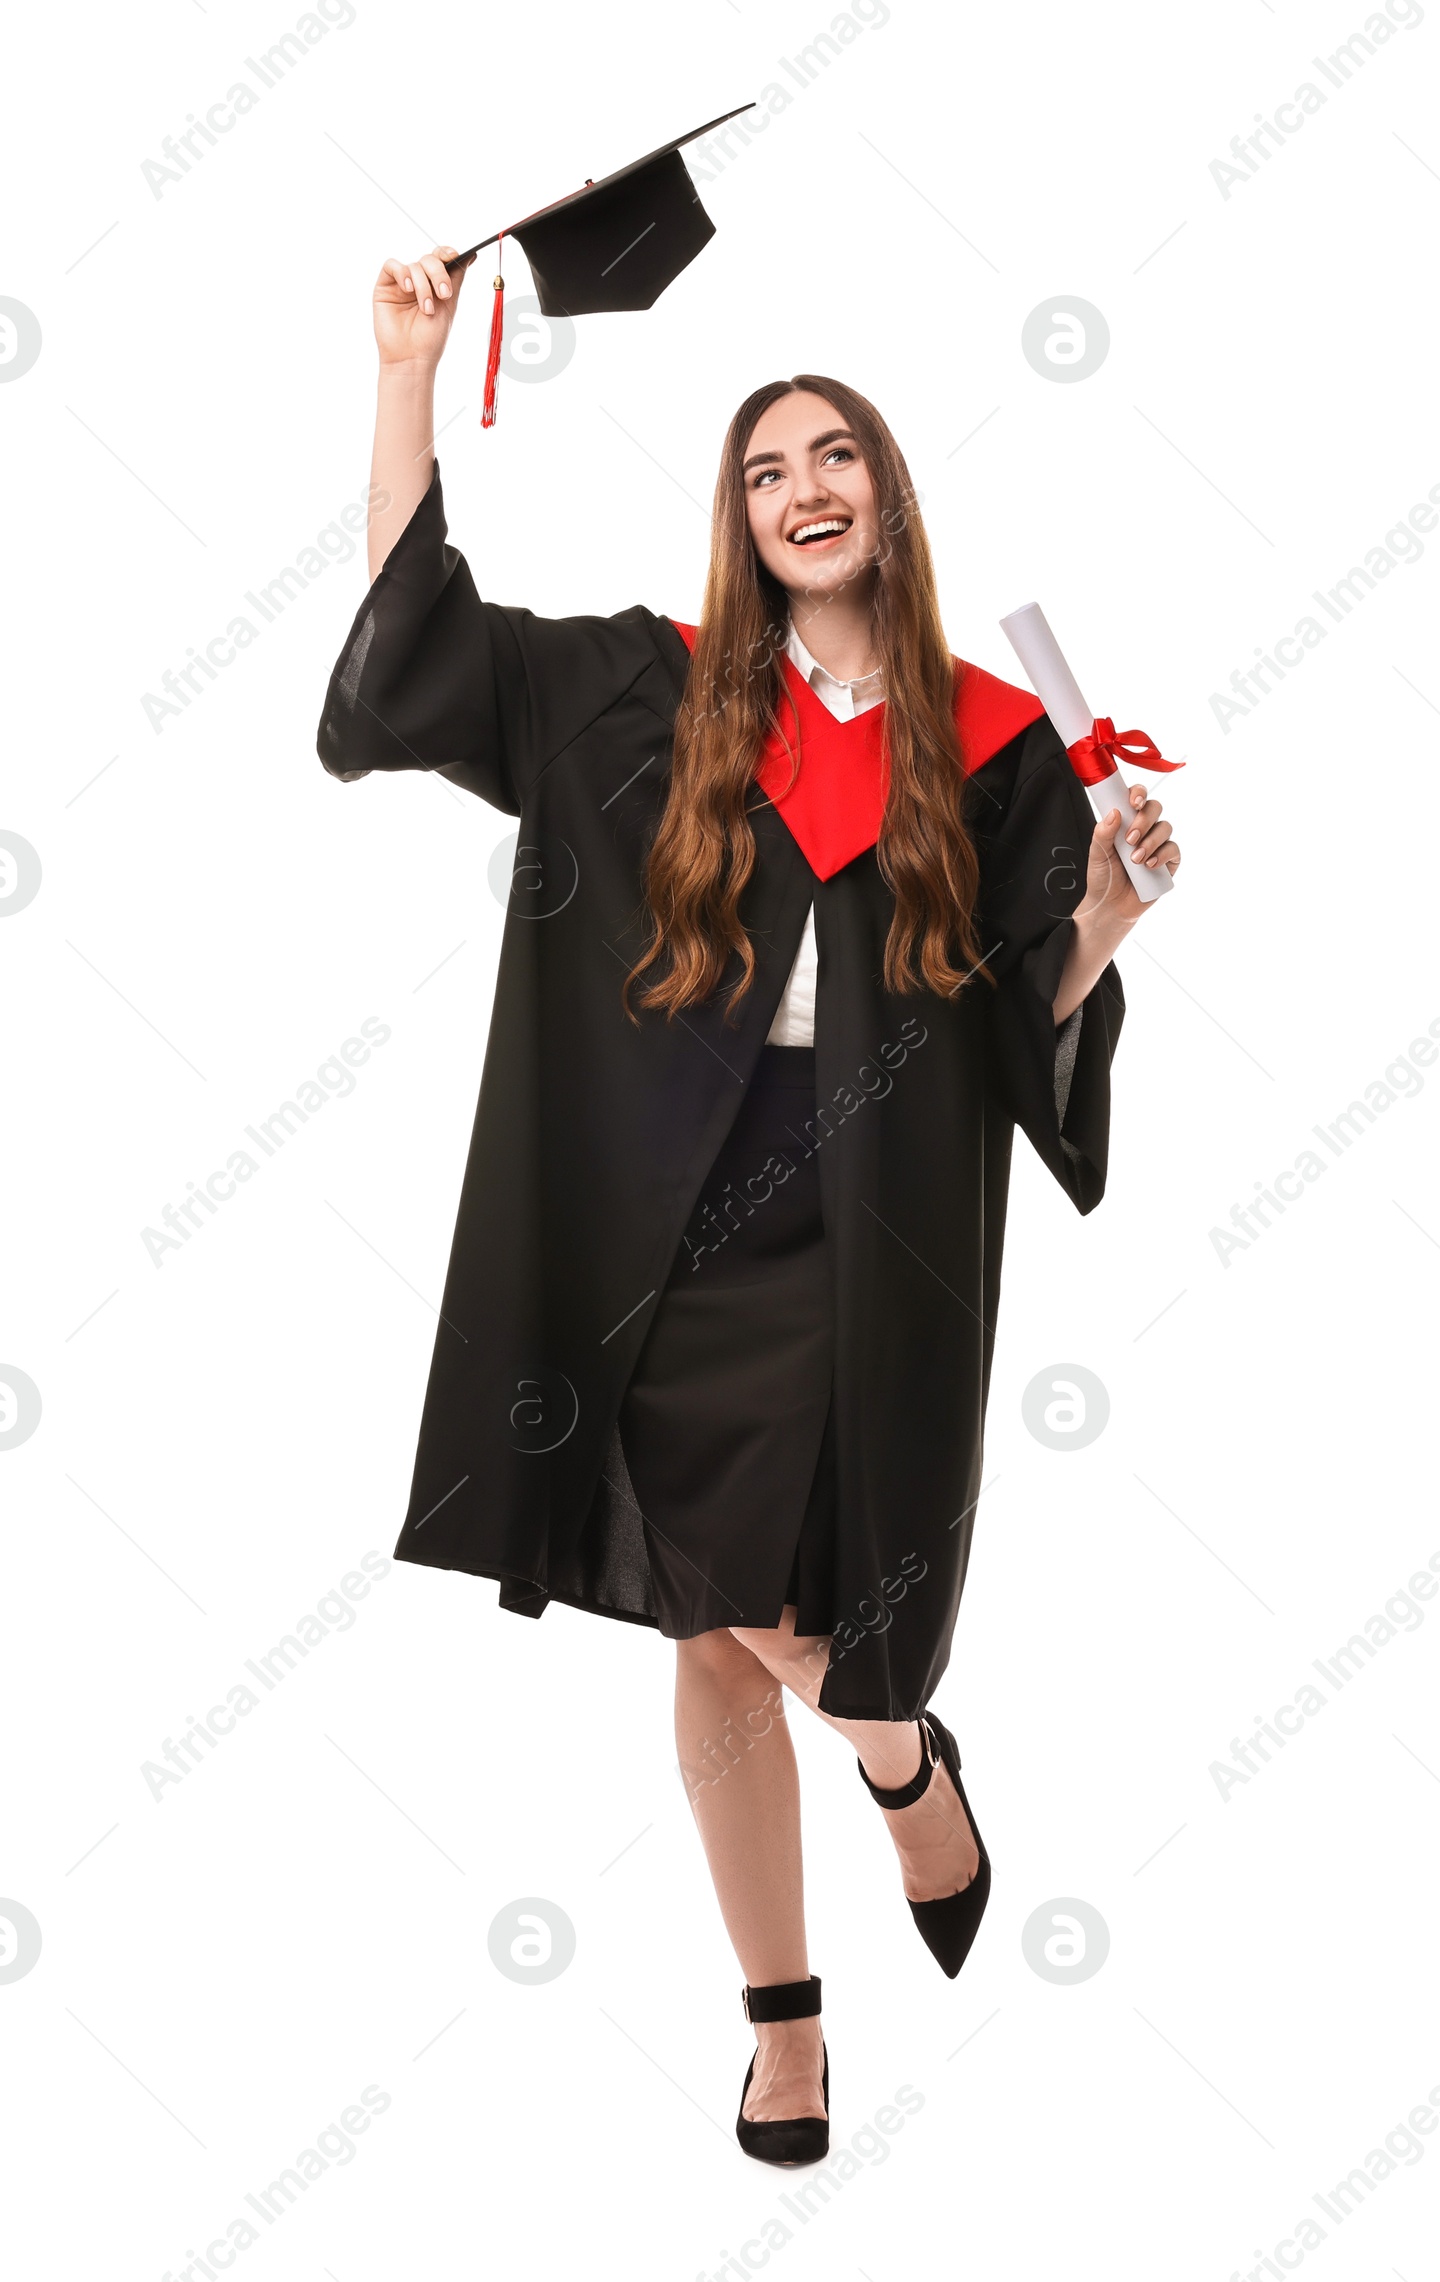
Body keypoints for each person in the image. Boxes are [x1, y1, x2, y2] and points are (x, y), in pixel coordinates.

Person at [316, 244, 1181, 2167]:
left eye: (836, 454)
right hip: (669, 1225)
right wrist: (402, 378)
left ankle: (884, 1753)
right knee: (714, 1614)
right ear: (740, 512)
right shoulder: (647, 689)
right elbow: (415, 649)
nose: (803, 484)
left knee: (781, 1598)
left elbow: (1038, 1007)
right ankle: (832, 1910)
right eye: (767, 463)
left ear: (885, 493)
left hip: (875, 1229)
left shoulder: (991, 733)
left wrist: (1111, 908)